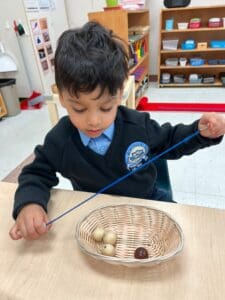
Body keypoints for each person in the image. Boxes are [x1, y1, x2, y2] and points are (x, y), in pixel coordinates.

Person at [10, 21, 225, 241]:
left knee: (184, 238)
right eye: (79, 108)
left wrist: (199, 132)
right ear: (62, 97)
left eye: (105, 108)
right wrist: (30, 203)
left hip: (148, 201)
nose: (94, 121)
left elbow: (171, 141)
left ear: (120, 93)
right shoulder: (60, 139)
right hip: (95, 214)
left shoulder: (137, 125)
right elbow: (36, 173)